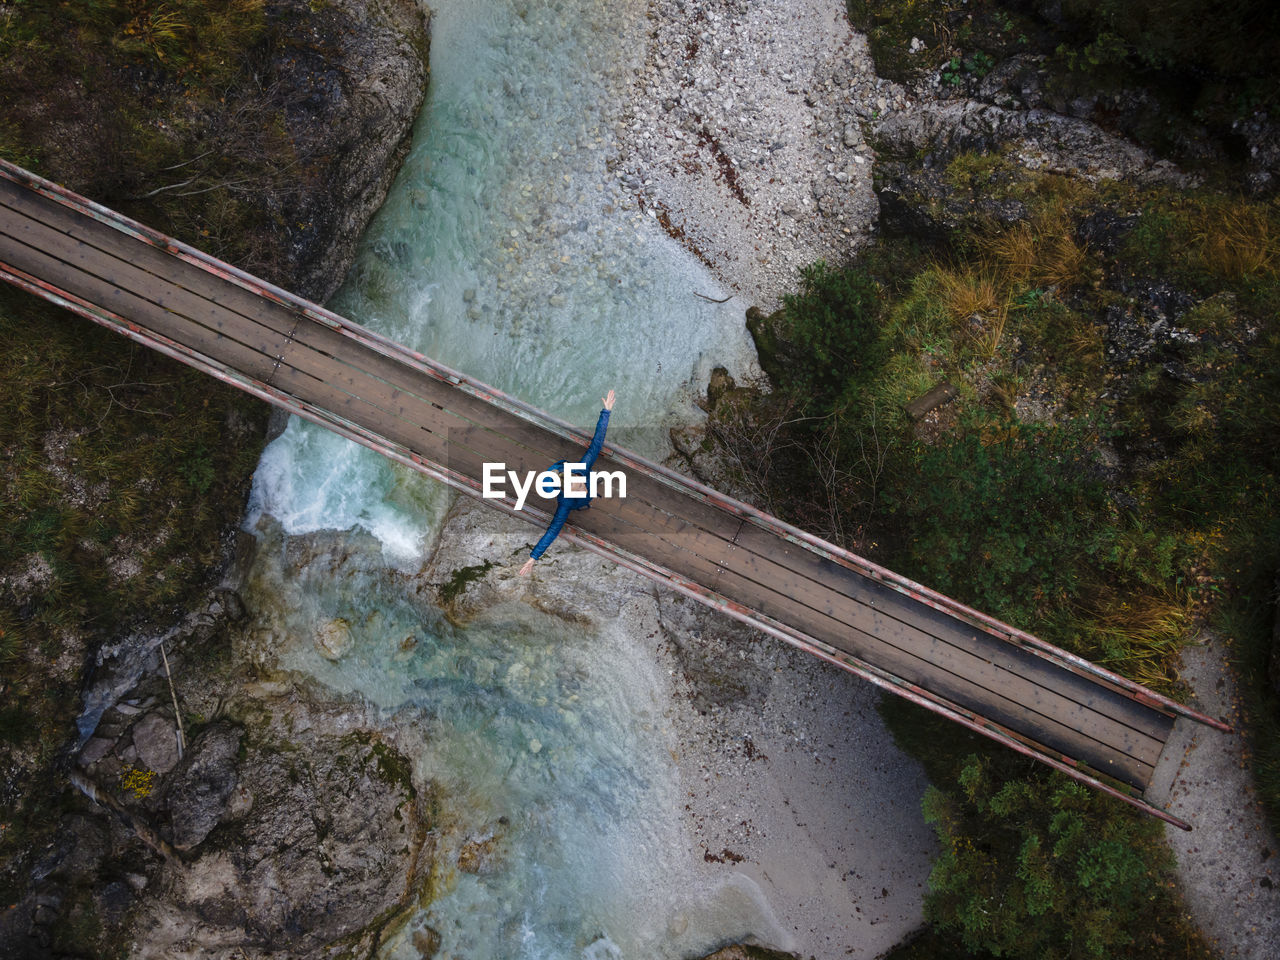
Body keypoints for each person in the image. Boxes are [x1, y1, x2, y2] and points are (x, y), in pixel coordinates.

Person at [519, 389, 615, 576]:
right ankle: (585, 501)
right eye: (578, 489)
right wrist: (533, 558)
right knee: (584, 498)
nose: (581, 487)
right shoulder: (565, 503)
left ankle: (587, 494)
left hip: (574, 482)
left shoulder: (581, 469)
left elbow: (596, 443)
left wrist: (606, 412)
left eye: (579, 484)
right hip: (575, 501)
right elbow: (552, 531)